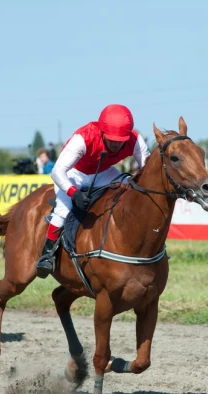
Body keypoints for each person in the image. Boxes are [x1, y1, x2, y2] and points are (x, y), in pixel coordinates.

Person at [35, 104, 150, 277]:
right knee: (63, 210)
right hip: (73, 173)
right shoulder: (84, 137)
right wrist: (74, 193)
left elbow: (147, 173)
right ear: (102, 131)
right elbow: (57, 171)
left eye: (120, 141)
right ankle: (47, 256)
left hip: (104, 172)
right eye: (111, 139)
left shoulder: (135, 140)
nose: (115, 145)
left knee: (131, 188)